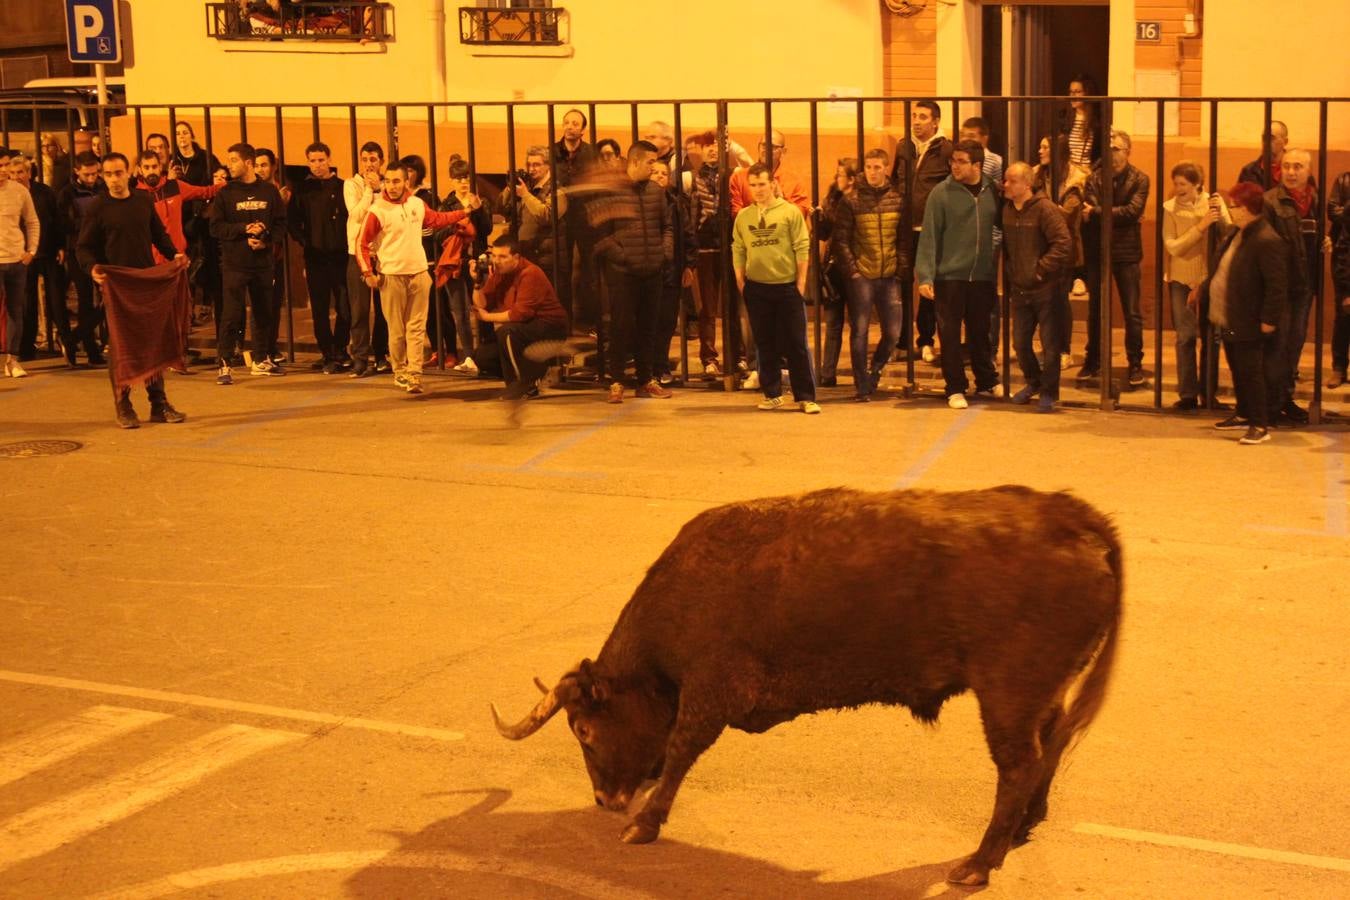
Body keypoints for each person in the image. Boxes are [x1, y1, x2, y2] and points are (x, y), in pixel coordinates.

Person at [75, 152, 189, 429]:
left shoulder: (143, 200)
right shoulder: (98, 207)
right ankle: (123, 404)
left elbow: (158, 235)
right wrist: (92, 269)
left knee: (153, 342)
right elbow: (83, 247)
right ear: (103, 176)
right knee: (122, 347)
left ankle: (158, 403)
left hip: (146, 282)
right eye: (109, 174)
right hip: (117, 286)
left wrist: (174, 255)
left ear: (129, 173)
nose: (114, 179)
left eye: (119, 173)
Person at [356, 160, 473, 395]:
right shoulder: (377, 210)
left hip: (419, 274)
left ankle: (415, 374)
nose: (391, 186)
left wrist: (465, 212)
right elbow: (361, 244)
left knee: (416, 328)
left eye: (396, 181)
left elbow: (436, 219)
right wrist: (368, 273)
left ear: (406, 181)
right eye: (387, 181)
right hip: (391, 277)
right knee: (397, 330)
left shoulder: (417, 204)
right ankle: (399, 371)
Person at [915, 140, 1001, 410]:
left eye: (961, 161)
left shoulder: (992, 190)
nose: (955, 166)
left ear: (977, 164)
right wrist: (926, 276)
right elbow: (929, 236)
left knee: (980, 332)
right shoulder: (941, 193)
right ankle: (955, 387)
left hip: (982, 275)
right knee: (949, 335)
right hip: (949, 275)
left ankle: (986, 380)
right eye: (953, 161)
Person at [587, 141, 675, 402]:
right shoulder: (611, 192)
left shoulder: (656, 192)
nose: (654, 167)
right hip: (623, 274)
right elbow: (600, 236)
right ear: (634, 162)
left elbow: (667, 226)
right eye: (650, 162)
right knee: (620, 327)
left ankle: (646, 379)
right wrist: (623, 257)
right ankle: (616, 380)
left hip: (652, 270)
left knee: (649, 327)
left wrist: (663, 253)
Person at [1202, 182, 1288, 445]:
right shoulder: (1237, 232)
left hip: (1249, 318)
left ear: (1249, 208)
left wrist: (1268, 320)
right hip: (1230, 315)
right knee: (1237, 368)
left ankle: (1260, 424)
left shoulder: (1266, 239)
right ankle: (1242, 412)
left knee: (1252, 371)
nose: (1231, 210)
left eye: (1235, 206)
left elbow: (1276, 285)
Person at [731, 163, 819, 414]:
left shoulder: (790, 212)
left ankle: (805, 396)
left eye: (762, 184)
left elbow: (803, 246)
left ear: (772, 184)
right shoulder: (744, 216)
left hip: (787, 286)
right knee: (764, 342)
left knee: (795, 343)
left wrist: (800, 282)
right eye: (753, 185)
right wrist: (741, 280)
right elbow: (738, 248)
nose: (758, 189)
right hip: (757, 289)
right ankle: (772, 393)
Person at [208, 142, 287, 384]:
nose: (229, 165)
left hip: (262, 263)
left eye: (233, 160)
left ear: (248, 163)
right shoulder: (225, 193)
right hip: (235, 264)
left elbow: (281, 224)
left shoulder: (269, 191)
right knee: (232, 314)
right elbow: (215, 227)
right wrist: (244, 229)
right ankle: (224, 364)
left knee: (264, 312)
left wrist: (266, 240)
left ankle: (261, 359)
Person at [831, 148, 906, 401]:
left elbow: (904, 239)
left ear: (886, 168)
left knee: (894, 332)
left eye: (877, 167)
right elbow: (840, 239)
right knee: (860, 330)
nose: (872, 172)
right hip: (862, 273)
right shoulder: (851, 200)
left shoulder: (897, 198)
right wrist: (852, 270)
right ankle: (861, 383)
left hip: (889, 274)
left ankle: (875, 369)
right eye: (869, 167)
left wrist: (901, 268)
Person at [1263, 148, 1328, 426]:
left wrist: (1325, 242)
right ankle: (1271, 404)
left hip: (1305, 285)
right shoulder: (1271, 202)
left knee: (1295, 344)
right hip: (1281, 287)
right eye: (1287, 166)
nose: (1291, 171)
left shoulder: (1315, 200)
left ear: (1308, 171)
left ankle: (1285, 398)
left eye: (1298, 166)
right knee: (1277, 345)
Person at [1080, 128, 1150, 386]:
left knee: (1131, 311)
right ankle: (1094, 360)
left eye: (1117, 149)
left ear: (1128, 151)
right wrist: (1106, 212)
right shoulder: (1095, 177)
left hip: (1127, 251)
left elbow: (1132, 212)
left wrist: (1098, 211)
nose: (1112, 154)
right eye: (1109, 149)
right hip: (1098, 250)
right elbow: (1092, 206)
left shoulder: (1140, 179)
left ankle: (1135, 363)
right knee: (1096, 308)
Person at [1002, 161, 1071, 412]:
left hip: (1045, 289)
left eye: (1012, 181)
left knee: (1050, 345)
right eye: (1006, 180)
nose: (1006, 185)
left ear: (1027, 184)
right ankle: (1034, 382)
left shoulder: (1045, 209)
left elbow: (1063, 243)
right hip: (1020, 287)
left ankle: (1049, 392)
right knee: (1020, 343)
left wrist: (1041, 269)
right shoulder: (1008, 210)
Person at [1162, 161, 1230, 410]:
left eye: (1183, 184)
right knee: (1186, 336)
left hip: (1208, 277)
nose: (1178, 188)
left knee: (1211, 337)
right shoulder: (1169, 208)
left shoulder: (1213, 203)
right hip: (1180, 278)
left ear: (1197, 185)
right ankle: (1188, 394)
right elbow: (1173, 246)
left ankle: (1209, 394)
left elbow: (1229, 233)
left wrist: (1219, 213)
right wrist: (1200, 227)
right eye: (1176, 183)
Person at [892, 100, 954, 364]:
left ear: (936, 122)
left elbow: (952, 188)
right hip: (905, 228)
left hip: (932, 230)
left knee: (928, 286)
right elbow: (896, 180)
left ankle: (926, 340)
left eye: (923, 117)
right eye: (914, 116)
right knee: (903, 282)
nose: (916, 121)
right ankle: (903, 341)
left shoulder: (946, 149)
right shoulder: (904, 146)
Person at [471, 236, 569, 400]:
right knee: (482, 356)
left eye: (502, 257)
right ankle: (535, 372)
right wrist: (477, 282)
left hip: (549, 327)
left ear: (516, 257)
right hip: (523, 327)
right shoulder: (500, 273)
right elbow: (483, 303)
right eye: (494, 256)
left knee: (507, 333)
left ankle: (522, 385)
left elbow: (520, 314)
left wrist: (487, 317)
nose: (496, 261)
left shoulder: (530, 273)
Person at [287, 141, 350, 373]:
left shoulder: (343, 187)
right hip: (315, 258)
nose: (317, 165)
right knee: (320, 310)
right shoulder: (303, 190)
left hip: (342, 257)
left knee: (346, 307)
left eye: (321, 160)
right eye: (312, 161)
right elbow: (292, 221)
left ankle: (341, 349)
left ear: (329, 159)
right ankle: (328, 353)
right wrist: (306, 242)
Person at [1033, 134, 1086, 370]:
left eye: (1045, 147)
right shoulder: (1036, 175)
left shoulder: (1076, 179)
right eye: (1040, 146)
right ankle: (1048, 348)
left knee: (1060, 300)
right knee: (1045, 300)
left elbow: (1068, 214)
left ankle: (1063, 350)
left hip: (1065, 247)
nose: (1040, 151)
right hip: (1039, 244)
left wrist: (1042, 207)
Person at [433, 154, 491, 368]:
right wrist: (458, 222)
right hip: (454, 261)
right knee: (459, 311)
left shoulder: (480, 200)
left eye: (466, 177)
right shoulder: (446, 204)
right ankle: (468, 355)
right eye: (458, 178)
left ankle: (486, 353)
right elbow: (437, 235)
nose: (463, 182)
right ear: (451, 180)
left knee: (482, 307)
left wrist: (477, 210)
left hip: (476, 260)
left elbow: (486, 230)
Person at [56, 150, 108, 366]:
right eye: (87, 174)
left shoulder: (103, 188)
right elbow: (62, 224)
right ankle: (91, 350)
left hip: (102, 250)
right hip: (78, 250)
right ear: (77, 171)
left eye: (95, 173)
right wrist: (90, 223)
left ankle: (71, 339)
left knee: (108, 301)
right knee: (85, 300)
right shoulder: (68, 193)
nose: (91, 178)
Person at [11, 152, 64, 363]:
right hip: (23, 255)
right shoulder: (8, 194)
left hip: (48, 251)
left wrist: (61, 246)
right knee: (27, 303)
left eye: (20, 172)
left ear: (29, 172)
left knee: (57, 300)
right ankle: (26, 347)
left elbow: (56, 219)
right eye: (13, 173)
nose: (17, 176)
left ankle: (65, 342)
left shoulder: (45, 192)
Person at [344, 140, 387, 377]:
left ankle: (381, 355)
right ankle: (360, 357)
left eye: (373, 159)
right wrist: (370, 190)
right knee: (359, 309)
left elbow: (385, 214)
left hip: (381, 254)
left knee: (384, 309)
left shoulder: (387, 185)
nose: (369, 164)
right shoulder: (352, 185)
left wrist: (380, 188)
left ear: (381, 161)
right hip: (357, 254)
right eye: (365, 159)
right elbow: (357, 214)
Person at [553, 108, 599, 328]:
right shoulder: (551, 152)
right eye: (566, 122)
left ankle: (590, 321)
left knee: (590, 269)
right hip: (560, 218)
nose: (570, 126)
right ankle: (564, 320)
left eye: (575, 123)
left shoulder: (592, 153)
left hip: (585, 217)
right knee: (562, 269)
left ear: (583, 129)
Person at [815, 158, 856, 388]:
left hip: (856, 268)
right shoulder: (831, 200)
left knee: (857, 325)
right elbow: (822, 235)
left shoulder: (860, 201)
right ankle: (827, 372)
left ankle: (859, 372)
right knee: (832, 323)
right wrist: (819, 217)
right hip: (834, 269)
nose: (836, 178)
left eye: (840, 174)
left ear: (851, 179)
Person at [500, 145, 567, 285]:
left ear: (548, 166)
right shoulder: (527, 187)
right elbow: (502, 209)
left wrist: (525, 194)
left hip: (547, 261)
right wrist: (509, 188)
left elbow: (548, 216)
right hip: (526, 257)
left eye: (536, 165)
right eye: (529, 164)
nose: (531, 169)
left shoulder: (557, 188)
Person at [0, 146, 40, 379]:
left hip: (16, 259)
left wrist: (31, 250)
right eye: (1, 165)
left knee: (17, 310)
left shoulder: (20, 191)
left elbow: (32, 221)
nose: (4, 170)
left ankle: (13, 360)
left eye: (7, 165)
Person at [253, 147, 292, 365]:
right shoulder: (254, 190)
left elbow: (282, 224)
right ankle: (261, 351)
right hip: (256, 256)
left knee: (275, 304)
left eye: (264, 165)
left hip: (275, 256)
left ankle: (271, 346)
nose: (260, 169)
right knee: (259, 304)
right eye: (257, 165)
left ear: (273, 167)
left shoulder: (281, 190)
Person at [1329, 167, 1350, 389]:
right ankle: (1339, 367)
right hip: (1345, 261)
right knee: (1344, 314)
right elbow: (1333, 212)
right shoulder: (1343, 179)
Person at [1238, 121, 1289, 190]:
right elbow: (1239, 199)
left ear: (1285, 142)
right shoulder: (1249, 172)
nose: (1266, 142)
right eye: (1264, 138)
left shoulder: (1294, 170)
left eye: (1271, 138)